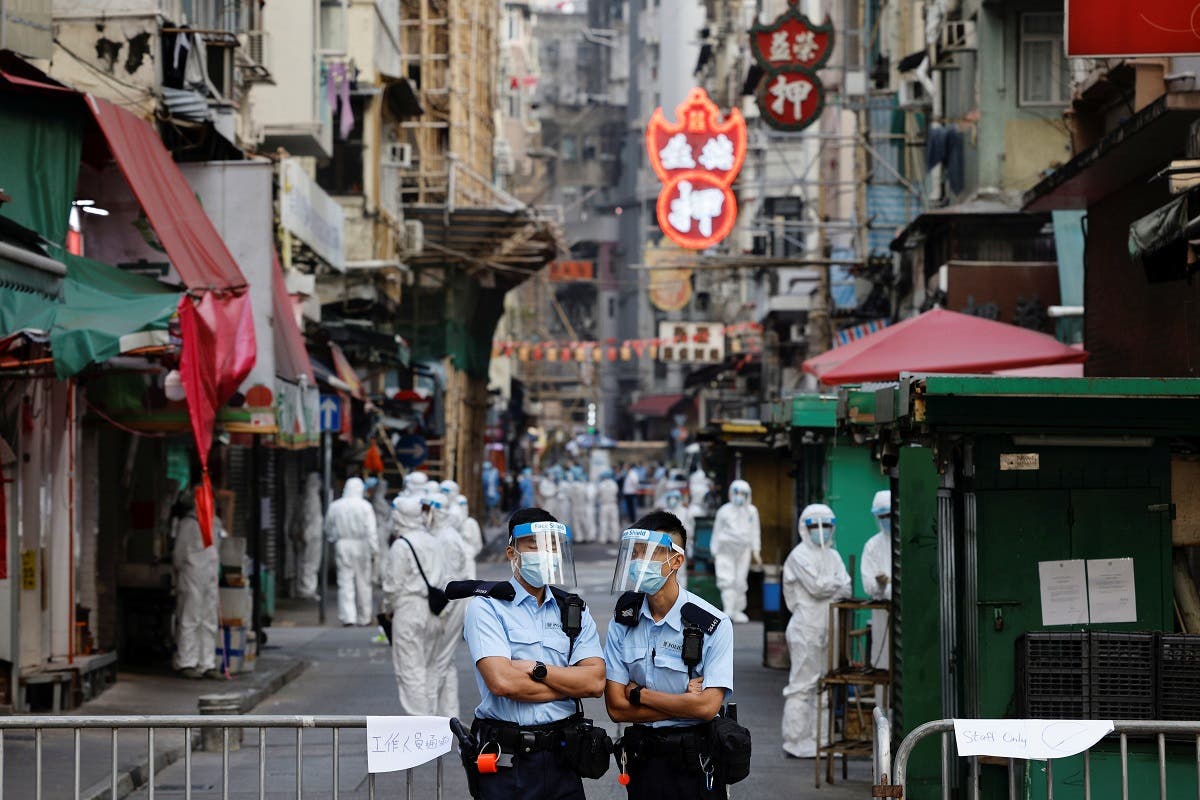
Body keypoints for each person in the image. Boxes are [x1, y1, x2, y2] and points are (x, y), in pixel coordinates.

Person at [460, 508, 607, 800]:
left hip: (563, 758)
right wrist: (568, 685)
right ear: (511, 552)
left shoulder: (572, 610)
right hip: (509, 760)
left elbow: (594, 683)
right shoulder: (487, 608)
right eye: (533, 545)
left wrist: (538, 670)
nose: (545, 553)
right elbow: (503, 683)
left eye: (551, 545)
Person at [604, 511, 736, 799]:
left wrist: (640, 695)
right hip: (643, 761)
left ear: (676, 561)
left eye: (650, 554)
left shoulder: (712, 624)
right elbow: (615, 707)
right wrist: (685, 702)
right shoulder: (624, 619)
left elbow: (707, 709)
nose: (639, 563)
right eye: (635, 554)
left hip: (695, 762)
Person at [781, 504, 852, 758]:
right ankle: (795, 740)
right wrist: (831, 585)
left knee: (824, 685)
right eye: (814, 526)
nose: (821, 531)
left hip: (827, 627)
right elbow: (817, 587)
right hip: (805, 628)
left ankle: (820, 739)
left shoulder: (833, 556)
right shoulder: (798, 555)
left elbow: (847, 588)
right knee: (802, 685)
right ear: (804, 528)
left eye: (826, 526)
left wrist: (829, 585)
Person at [382, 495, 445, 713]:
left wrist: (387, 609)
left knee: (411, 669)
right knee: (429, 668)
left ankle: (419, 723)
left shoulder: (401, 545)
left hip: (409, 609)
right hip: (434, 610)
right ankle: (432, 721)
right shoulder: (434, 541)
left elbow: (392, 585)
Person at [172, 488, 221, 678]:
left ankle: (207, 663)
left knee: (209, 620)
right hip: (192, 574)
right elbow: (179, 554)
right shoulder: (188, 524)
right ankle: (187, 661)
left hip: (209, 576)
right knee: (190, 618)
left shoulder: (215, 522)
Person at [428, 494, 469, 716]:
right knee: (447, 662)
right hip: (452, 601)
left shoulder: (445, 538)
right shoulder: (447, 535)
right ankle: (449, 715)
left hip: (450, 603)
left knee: (439, 662)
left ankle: (431, 717)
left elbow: (449, 577)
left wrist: (443, 609)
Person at [325, 477, 378, 626]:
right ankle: (365, 617)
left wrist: (335, 538)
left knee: (344, 581)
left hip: (342, 544)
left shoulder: (335, 506)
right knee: (363, 582)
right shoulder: (365, 506)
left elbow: (328, 527)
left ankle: (348, 617)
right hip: (362, 545)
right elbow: (371, 530)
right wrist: (375, 550)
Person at [710, 480, 762, 623]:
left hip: (743, 550)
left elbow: (755, 531)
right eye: (736, 493)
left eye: (742, 494)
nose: (739, 496)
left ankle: (738, 610)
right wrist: (714, 551)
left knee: (740, 580)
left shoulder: (752, 511)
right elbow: (717, 531)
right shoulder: (724, 511)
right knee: (727, 579)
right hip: (725, 550)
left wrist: (756, 550)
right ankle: (728, 609)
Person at [860, 490, 892, 669]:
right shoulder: (872, 546)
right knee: (883, 666)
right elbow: (869, 585)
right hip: (882, 613)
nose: (886, 519)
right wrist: (880, 585)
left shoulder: (909, 540)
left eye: (889, 514)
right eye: (882, 516)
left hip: (909, 612)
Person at [295, 472, 324, 600]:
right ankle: (307, 588)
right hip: (312, 533)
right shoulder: (312, 497)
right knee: (310, 562)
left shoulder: (310, 496)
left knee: (308, 561)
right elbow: (309, 517)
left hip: (311, 532)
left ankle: (308, 588)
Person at [660, 490, 693, 592]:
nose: (672, 501)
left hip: (679, 548)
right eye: (670, 498)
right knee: (665, 572)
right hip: (665, 548)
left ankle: (681, 595)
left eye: (675, 498)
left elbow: (690, 530)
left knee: (680, 572)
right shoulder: (664, 513)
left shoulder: (685, 512)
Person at [453, 495, 485, 579]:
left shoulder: (471, 522)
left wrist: (471, 552)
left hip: (468, 557)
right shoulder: (452, 527)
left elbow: (478, 543)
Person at [597, 470, 621, 545]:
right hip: (613, 504)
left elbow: (598, 494)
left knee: (603, 522)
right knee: (614, 522)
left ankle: (603, 538)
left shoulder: (601, 485)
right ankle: (614, 538)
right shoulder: (614, 484)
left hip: (604, 505)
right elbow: (616, 493)